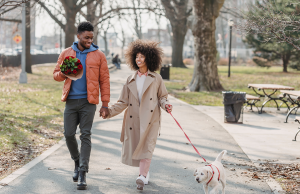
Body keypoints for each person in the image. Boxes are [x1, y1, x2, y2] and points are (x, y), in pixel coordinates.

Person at [102, 39, 173, 190]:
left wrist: (166, 105)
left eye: (142, 56)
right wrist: (109, 112)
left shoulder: (156, 78)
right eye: (136, 57)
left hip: (151, 119)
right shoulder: (130, 79)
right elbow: (122, 102)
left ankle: (141, 176)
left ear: (149, 57)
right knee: (138, 148)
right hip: (134, 119)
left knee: (147, 146)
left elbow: (162, 96)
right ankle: (145, 174)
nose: (138, 59)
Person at [53, 21, 110, 190]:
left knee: (85, 135)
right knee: (69, 134)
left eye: (91, 38)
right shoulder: (66, 53)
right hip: (70, 101)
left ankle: (83, 173)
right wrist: (64, 72)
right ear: (78, 36)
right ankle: (77, 161)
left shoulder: (99, 55)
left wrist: (105, 104)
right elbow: (56, 75)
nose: (89, 40)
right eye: (86, 37)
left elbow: (104, 80)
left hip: (88, 102)